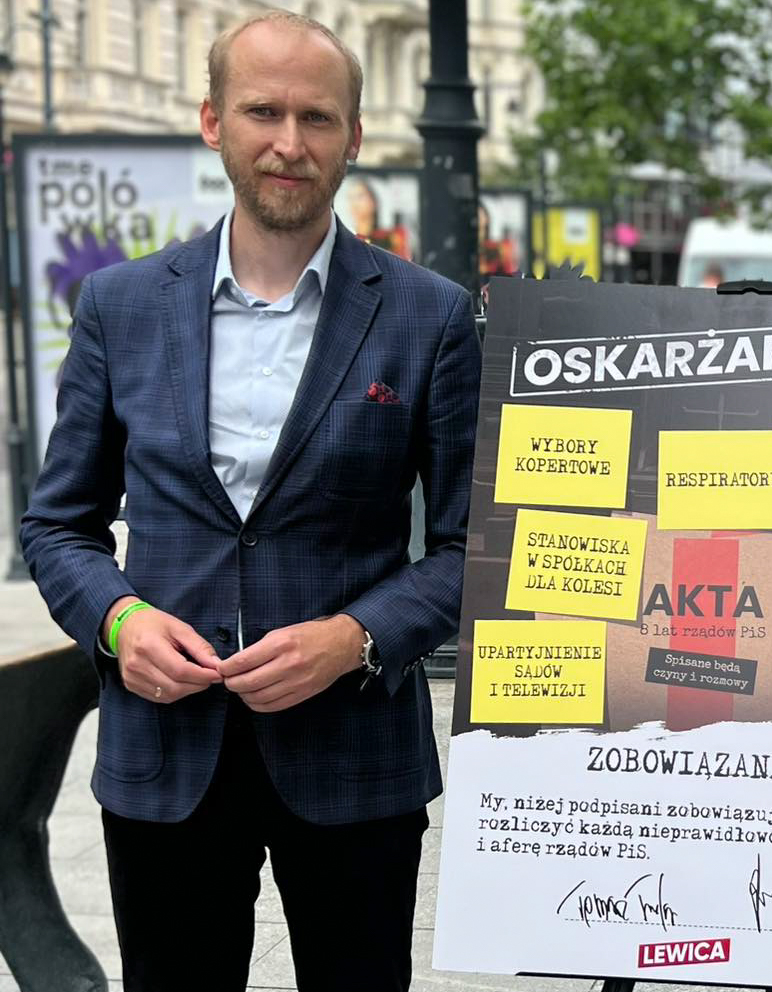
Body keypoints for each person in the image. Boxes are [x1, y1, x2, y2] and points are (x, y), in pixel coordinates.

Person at [20, 11, 480, 991]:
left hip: (355, 751)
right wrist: (120, 619)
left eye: (317, 117)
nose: (289, 142)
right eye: (263, 111)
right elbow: (57, 525)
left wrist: (355, 636)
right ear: (212, 121)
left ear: (353, 137)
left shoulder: (429, 315)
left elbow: (472, 543)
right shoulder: (120, 306)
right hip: (165, 752)